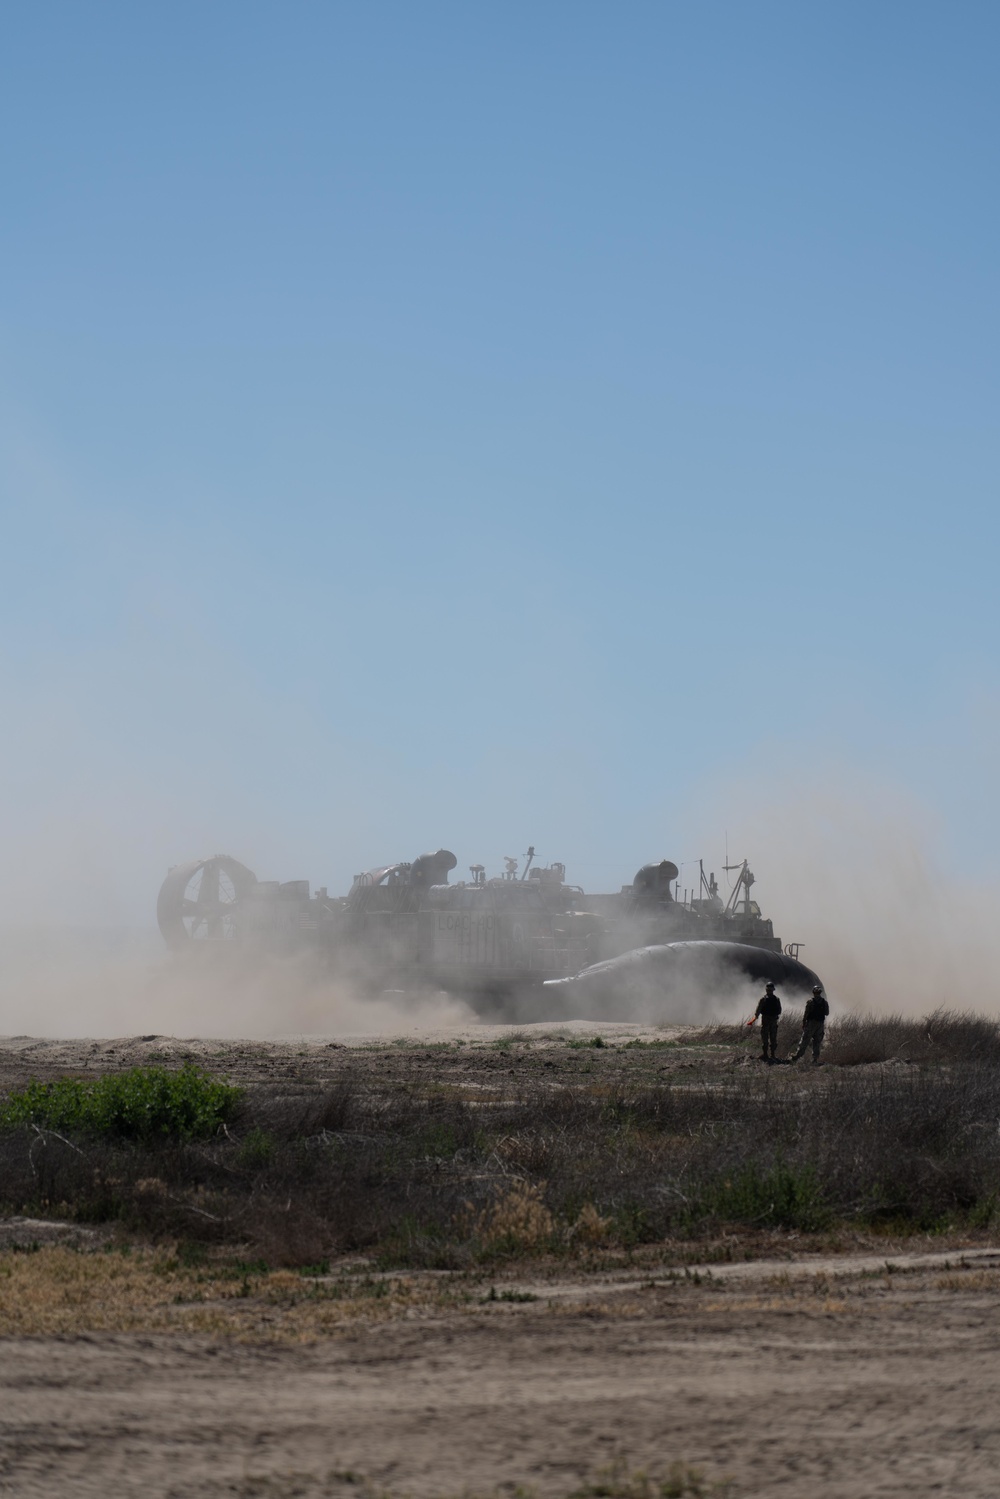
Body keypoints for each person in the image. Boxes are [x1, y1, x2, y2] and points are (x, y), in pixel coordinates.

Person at [791, 985, 830, 1064]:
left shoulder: (810, 1002)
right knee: (817, 1042)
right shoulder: (824, 1002)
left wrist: (804, 1022)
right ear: (820, 993)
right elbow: (827, 1013)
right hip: (820, 1024)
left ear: (813, 992)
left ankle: (797, 1056)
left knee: (805, 1040)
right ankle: (815, 1059)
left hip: (811, 1023)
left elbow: (806, 1013)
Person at [754, 981, 782, 1061]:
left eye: (770, 989)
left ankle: (772, 1054)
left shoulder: (776, 999)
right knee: (765, 1038)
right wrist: (756, 1015)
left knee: (773, 1038)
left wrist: (757, 1015)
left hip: (771, 1020)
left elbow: (779, 1010)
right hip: (767, 1020)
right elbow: (759, 1009)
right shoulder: (764, 999)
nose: (769, 991)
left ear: (773, 990)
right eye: (768, 989)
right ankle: (766, 1054)